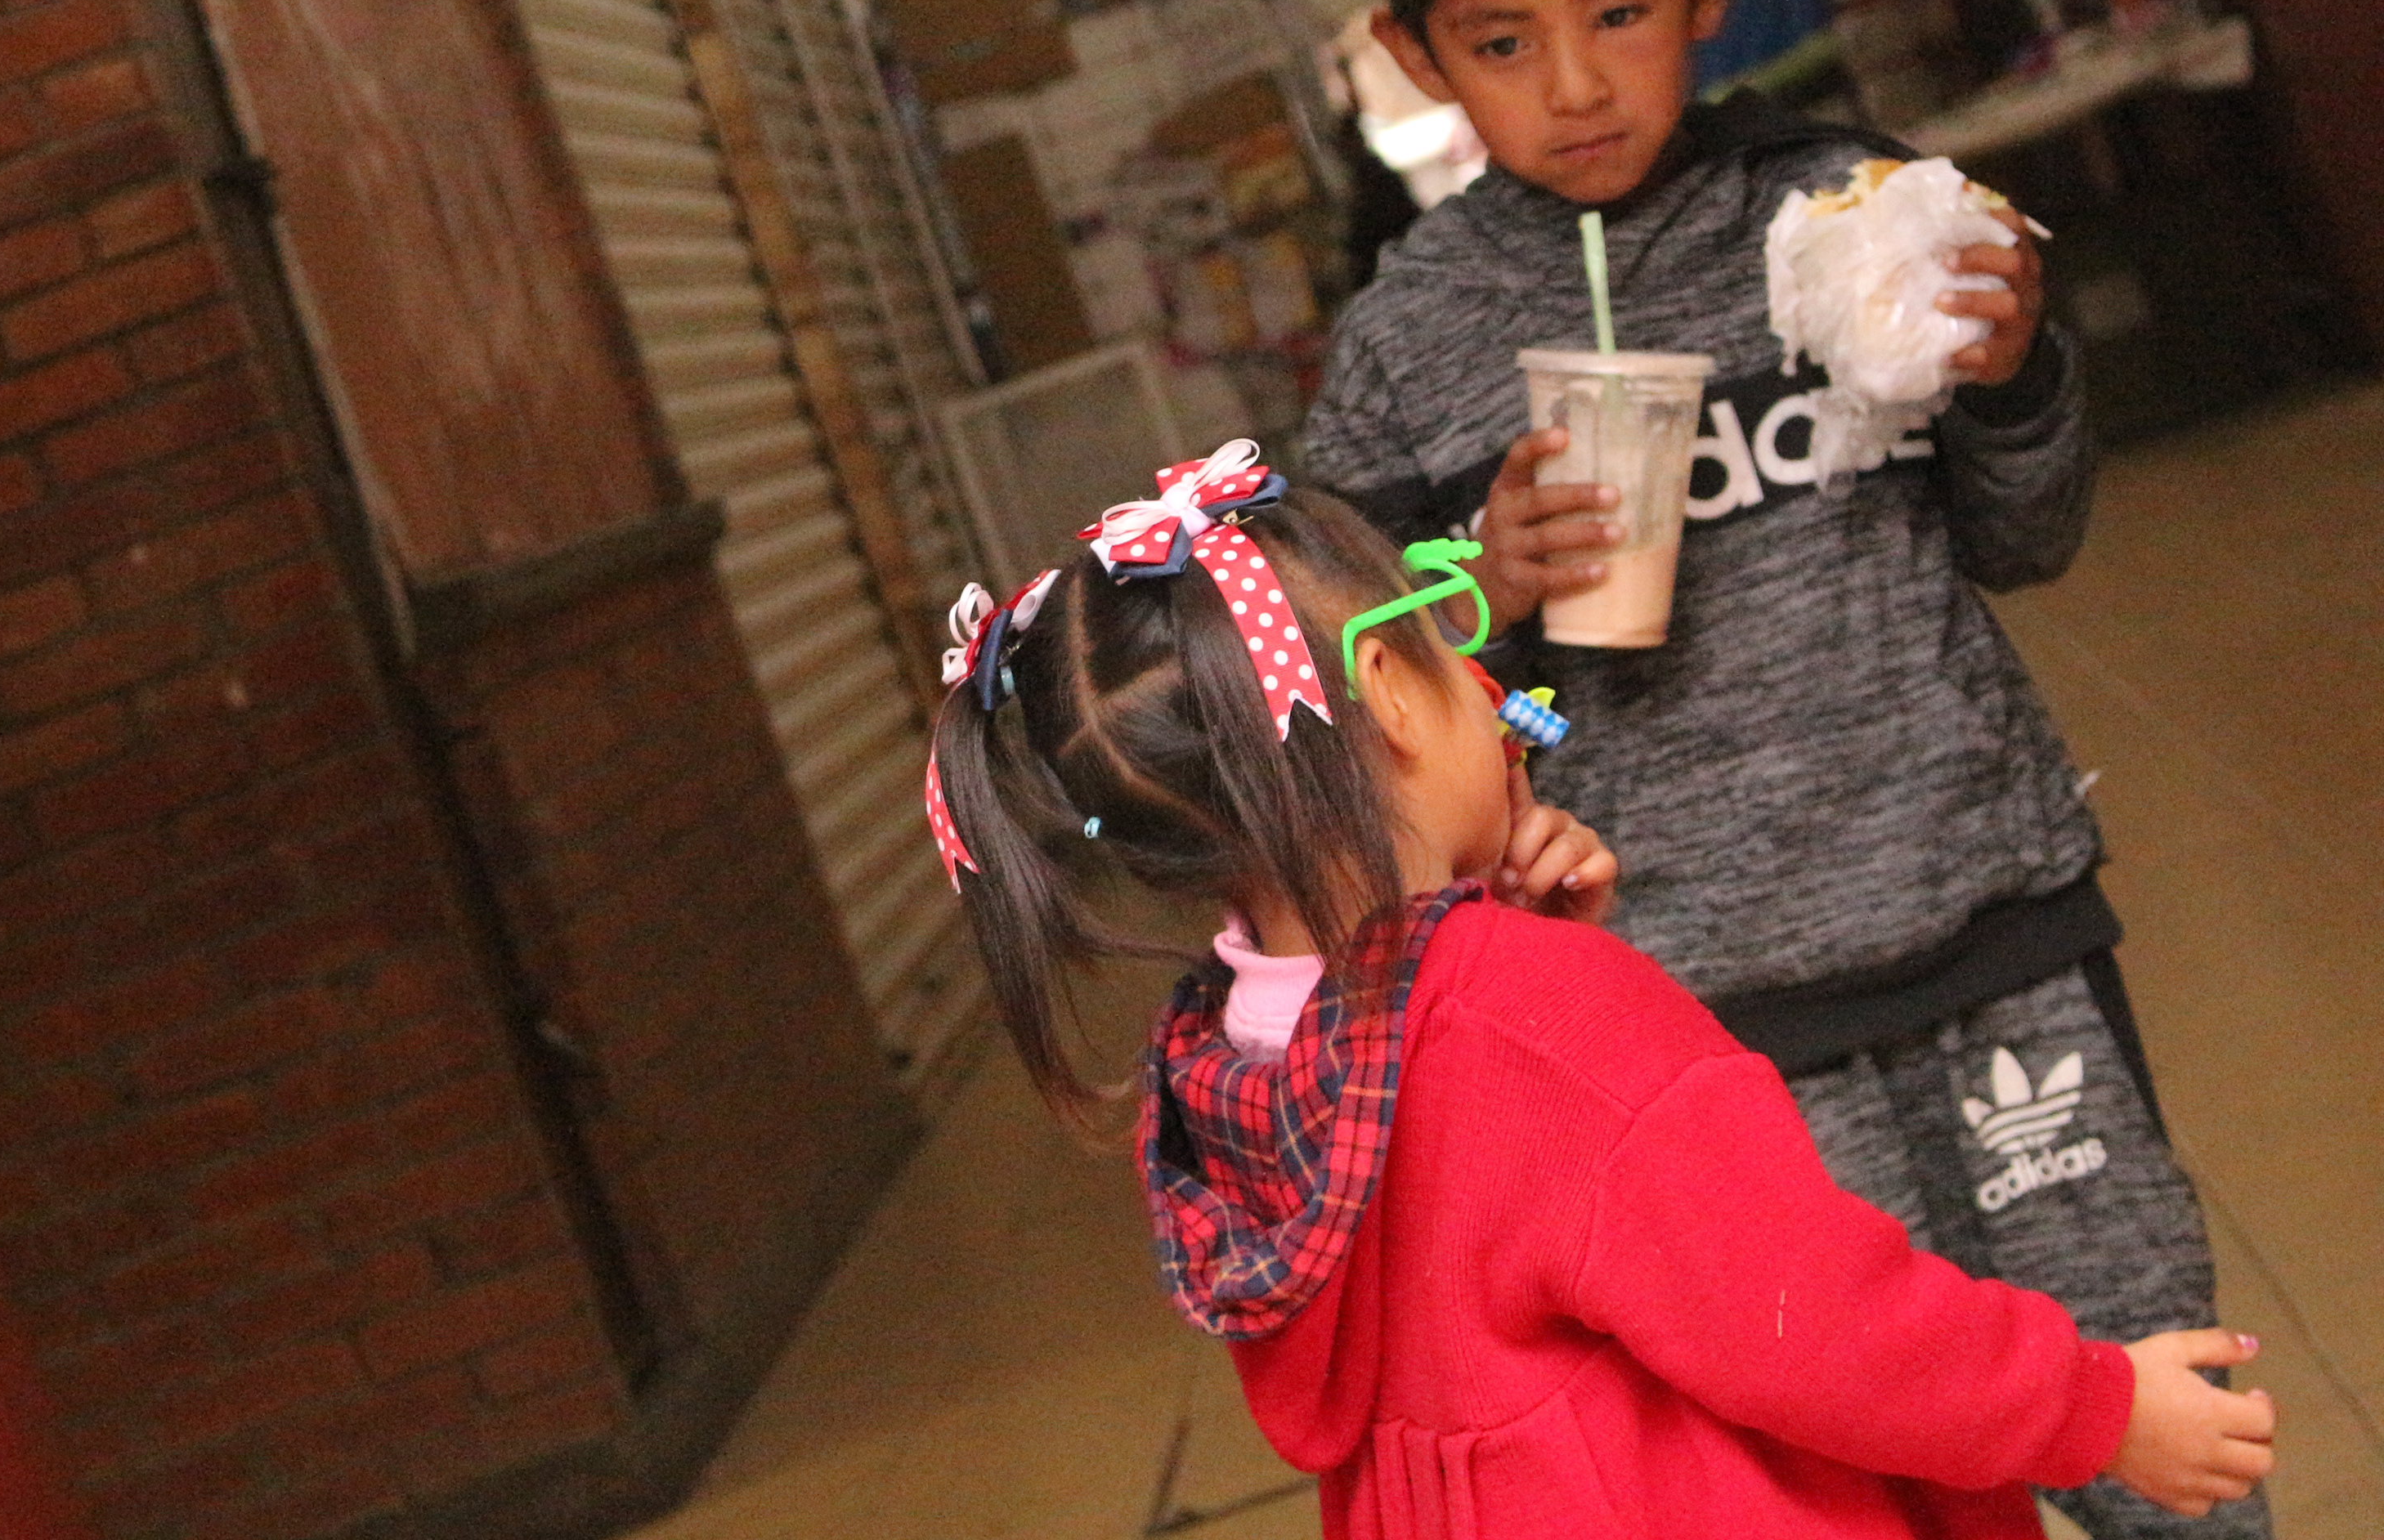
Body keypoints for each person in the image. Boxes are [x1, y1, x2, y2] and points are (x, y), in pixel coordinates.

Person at [1299, 0, 2255, 1538]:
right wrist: (1473, 576)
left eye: (1619, 12)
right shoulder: (1406, 342)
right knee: (1865, 1453)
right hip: (1695, 1019)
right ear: (1415, 57)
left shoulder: (1849, 214)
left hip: (1986, 920)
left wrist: (2013, 373)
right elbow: (1338, 688)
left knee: (2141, 1401)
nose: (1575, 85)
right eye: (1502, 43)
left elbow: (2028, 538)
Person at [923, 459, 2274, 1534]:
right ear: (1392, 692)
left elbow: (1462, 1236)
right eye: (1443, 621)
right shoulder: (1539, 1019)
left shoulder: (1231, 1053)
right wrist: (2095, 1408)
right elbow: (1813, 1324)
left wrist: (1497, 935)